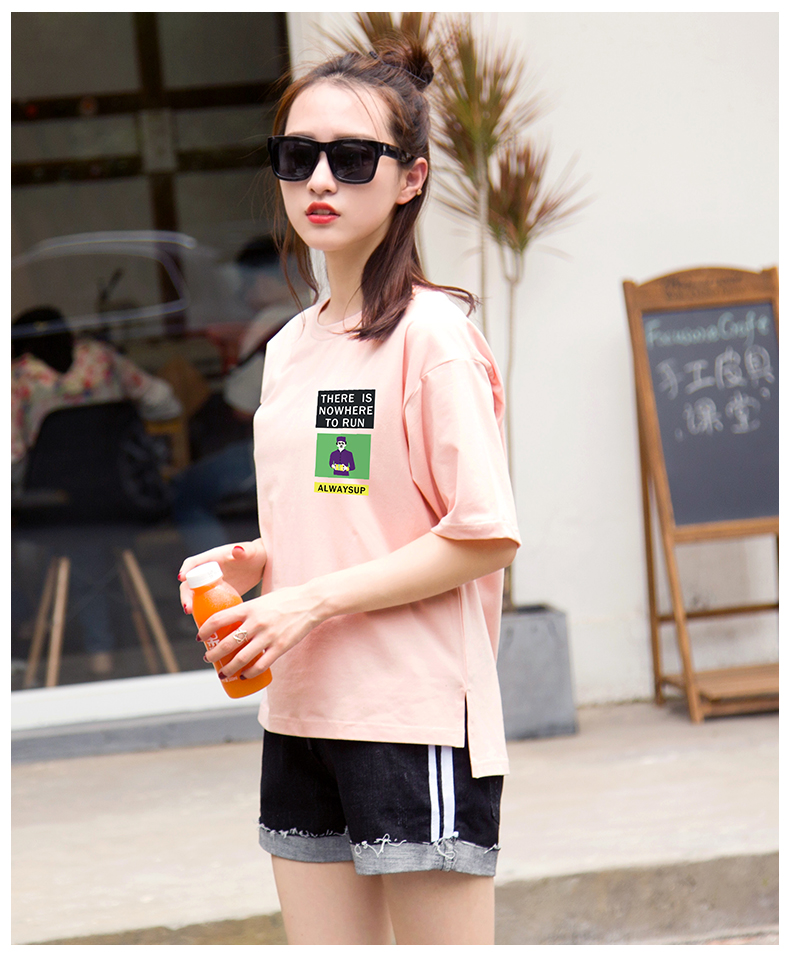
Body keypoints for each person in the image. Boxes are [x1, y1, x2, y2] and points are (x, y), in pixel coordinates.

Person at [179, 38, 520, 946]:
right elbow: (352, 507)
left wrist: (308, 602)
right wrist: (256, 566)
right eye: (298, 155)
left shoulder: (432, 337)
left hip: (412, 716)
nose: (320, 179)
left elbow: (484, 532)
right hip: (299, 709)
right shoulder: (292, 346)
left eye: (353, 157)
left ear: (410, 178)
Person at [11, 306, 182, 677]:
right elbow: (164, 402)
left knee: (69, 536)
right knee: (91, 534)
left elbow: (12, 458)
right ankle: (109, 644)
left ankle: (75, 645)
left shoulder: (18, 378)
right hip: (124, 499)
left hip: (57, 507)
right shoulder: (101, 359)